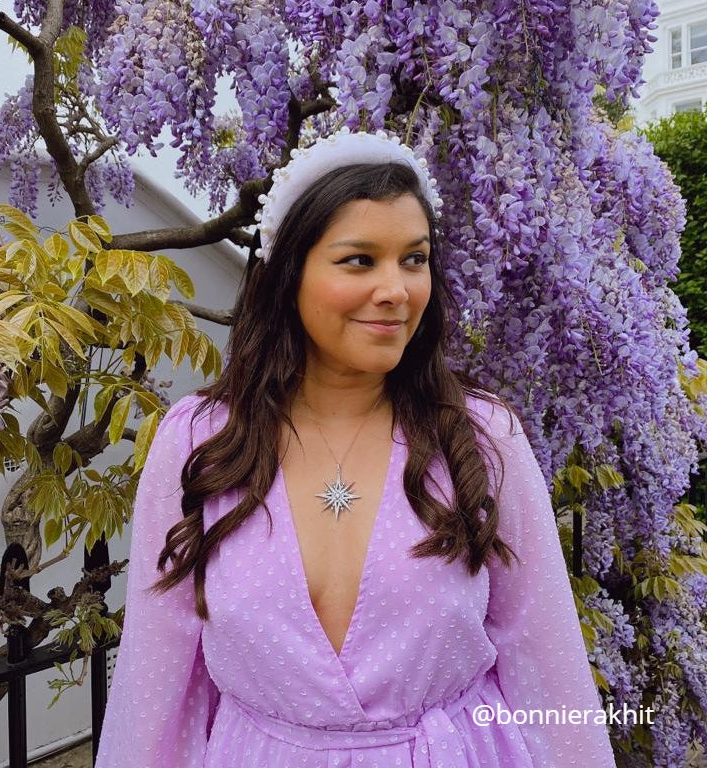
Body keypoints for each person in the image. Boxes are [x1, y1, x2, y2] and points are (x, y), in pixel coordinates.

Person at [95, 128, 617, 767]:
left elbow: (548, 664)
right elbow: (157, 684)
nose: (396, 290)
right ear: (289, 274)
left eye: (414, 259)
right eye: (359, 260)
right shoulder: (201, 440)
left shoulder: (480, 438)